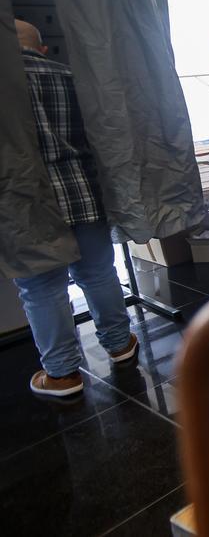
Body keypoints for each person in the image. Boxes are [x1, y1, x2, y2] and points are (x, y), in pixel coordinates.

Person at [12, 20, 138, 397]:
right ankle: (119, 344)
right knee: (98, 272)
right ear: (43, 49)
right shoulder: (71, 77)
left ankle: (63, 373)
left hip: (28, 202)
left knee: (42, 288)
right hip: (83, 190)